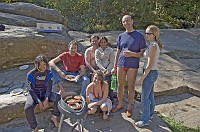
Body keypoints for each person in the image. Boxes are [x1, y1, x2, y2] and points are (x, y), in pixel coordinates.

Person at [111, 15, 146, 118]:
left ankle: (129, 106)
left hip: (132, 65)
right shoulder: (121, 36)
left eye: (127, 20)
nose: (126, 23)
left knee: (131, 87)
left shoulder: (139, 36)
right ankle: (120, 104)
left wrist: (132, 54)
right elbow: (117, 52)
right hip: (121, 64)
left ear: (132, 21)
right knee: (119, 85)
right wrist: (114, 66)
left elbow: (142, 52)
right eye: (123, 21)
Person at [135, 25, 163, 127]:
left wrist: (142, 78)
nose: (146, 35)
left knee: (145, 98)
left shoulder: (153, 46)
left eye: (148, 33)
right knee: (150, 95)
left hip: (150, 73)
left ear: (154, 34)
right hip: (151, 72)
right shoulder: (152, 44)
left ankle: (145, 120)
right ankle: (150, 114)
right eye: (146, 33)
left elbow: (150, 64)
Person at [24, 54, 60, 132]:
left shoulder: (49, 73)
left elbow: (49, 87)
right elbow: (30, 89)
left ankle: (54, 117)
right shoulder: (30, 74)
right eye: (40, 65)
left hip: (44, 93)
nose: (42, 67)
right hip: (34, 94)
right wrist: (38, 101)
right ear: (36, 65)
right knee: (28, 108)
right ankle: (34, 128)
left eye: (44, 64)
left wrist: (47, 98)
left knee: (58, 98)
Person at [95, 36, 115, 101]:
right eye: (101, 42)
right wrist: (103, 70)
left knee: (109, 80)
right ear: (99, 43)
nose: (103, 44)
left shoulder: (111, 50)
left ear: (107, 43)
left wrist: (108, 70)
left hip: (109, 69)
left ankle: (110, 98)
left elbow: (112, 62)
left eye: (104, 42)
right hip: (100, 69)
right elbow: (98, 62)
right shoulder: (97, 51)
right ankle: (100, 97)